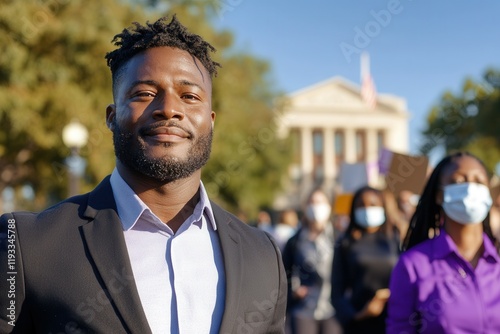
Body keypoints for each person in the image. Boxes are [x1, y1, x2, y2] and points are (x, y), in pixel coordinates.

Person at [0, 16, 287, 334]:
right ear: (111, 117)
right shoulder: (27, 246)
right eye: (144, 93)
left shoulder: (263, 255)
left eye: (189, 96)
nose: (169, 108)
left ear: (211, 119)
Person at [387, 151, 500, 333]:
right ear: (439, 195)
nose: (470, 188)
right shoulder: (413, 265)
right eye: (459, 181)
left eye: (478, 181)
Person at [331, 185, 400, 334]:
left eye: (373, 205)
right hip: (360, 323)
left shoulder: (396, 239)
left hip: (396, 319)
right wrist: (357, 315)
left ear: (383, 207)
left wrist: (388, 294)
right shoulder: (346, 243)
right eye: (361, 205)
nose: (367, 209)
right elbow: (337, 292)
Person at [282, 189, 342, 334]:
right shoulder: (295, 241)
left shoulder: (338, 238)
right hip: (304, 310)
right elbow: (284, 272)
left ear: (329, 206)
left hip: (332, 309)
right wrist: (293, 290)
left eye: (320, 202)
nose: (316, 207)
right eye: (312, 203)